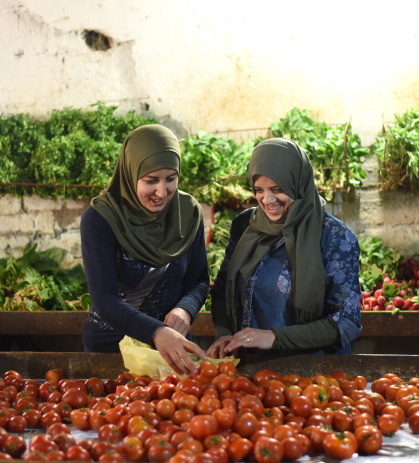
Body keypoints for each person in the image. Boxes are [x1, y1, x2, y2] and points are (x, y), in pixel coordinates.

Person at [207, 138, 362, 358]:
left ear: (298, 185)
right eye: (259, 190)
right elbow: (222, 290)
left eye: (277, 189)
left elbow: (345, 321)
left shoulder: (334, 236)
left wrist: (274, 337)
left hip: (312, 379)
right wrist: (224, 333)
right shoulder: (245, 226)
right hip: (249, 373)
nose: (267, 200)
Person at [80, 124, 209, 375]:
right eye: (151, 181)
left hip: (173, 349)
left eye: (171, 179)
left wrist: (186, 309)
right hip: (112, 348)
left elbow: (199, 281)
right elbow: (104, 298)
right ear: (130, 172)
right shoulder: (101, 218)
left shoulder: (188, 212)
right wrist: (156, 332)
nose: (162, 192)